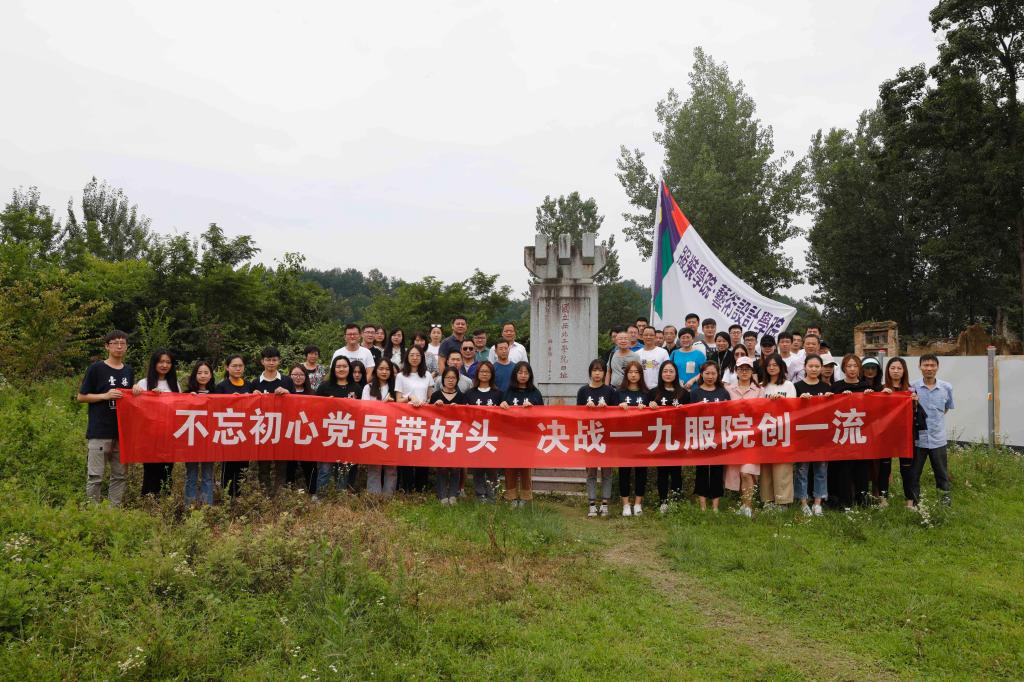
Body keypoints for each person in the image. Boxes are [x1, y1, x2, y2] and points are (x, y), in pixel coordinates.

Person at [77, 330, 134, 506]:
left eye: (123, 343)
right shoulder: (96, 369)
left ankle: (113, 511)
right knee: (95, 476)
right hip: (100, 430)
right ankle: (93, 512)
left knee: (120, 475)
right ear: (107, 346)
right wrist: (105, 396)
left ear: (126, 347)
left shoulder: (128, 371)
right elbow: (81, 397)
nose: (119, 346)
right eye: (115, 343)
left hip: (121, 432)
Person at [133, 348, 180, 497]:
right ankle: (148, 500)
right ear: (154, 363)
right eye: (161, 362)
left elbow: (179, 407)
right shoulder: (143, 383)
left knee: (167, 470)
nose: (164, 365)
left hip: (169, 434)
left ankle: (165, 500)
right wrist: (144, 394)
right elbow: (136, 407)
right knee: (150, 470)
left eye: (168, 362)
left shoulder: (175, 384)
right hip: (149, 435)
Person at [830, 354, 873, 510]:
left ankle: (862, 501)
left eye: (855, 366)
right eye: (849, 366)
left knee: (862, 470)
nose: (852, 369)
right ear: (843, 368)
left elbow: (874, 410)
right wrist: (836, 398)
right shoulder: (836, 387)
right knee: (843, 469)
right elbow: (828, 408)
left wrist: (871, 396)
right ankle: (844, 502)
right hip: (843, 435)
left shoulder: (866, 387)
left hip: (861, 435)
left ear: (859, 368)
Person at [578, 359, 620, 517]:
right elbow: (577, 415)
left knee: (607, 472)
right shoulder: (583, 391)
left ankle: (605, 503)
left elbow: (616, 415)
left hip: (606, 437)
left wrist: (607, 409)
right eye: (594, 370)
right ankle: (591, 503)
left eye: (600, 370)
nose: (597, 373)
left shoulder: (610, 392)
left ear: (604, 373)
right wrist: (585, 409)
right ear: (590, 372)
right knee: (591, 472)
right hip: (590, 436)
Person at [314, 355, 361, 497]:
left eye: (344, 366)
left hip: (348, 434)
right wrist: (326, 404)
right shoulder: (324, 386)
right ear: (333, 369)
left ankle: (340, 498)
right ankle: (320, 497)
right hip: (328, 434)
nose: (341, 369)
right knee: (325, 468)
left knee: (344, 469)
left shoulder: (356, 388)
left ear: (349, 369)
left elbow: (362, 411)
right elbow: (314, 407)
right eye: (338, 366)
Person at [910, 354, 954, 507]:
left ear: (937, 367)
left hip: (938, 439)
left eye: (932, 365)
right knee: (914, 474)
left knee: (942, 474)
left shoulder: (946, 387)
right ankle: (914, 503)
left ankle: (945, 504)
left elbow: (946, 408)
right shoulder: (912, 387)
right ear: (920, 367)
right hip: (918, 440)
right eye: (925, 365)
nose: (929, 368)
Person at [647, 360, 689, 512]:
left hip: (677, 437)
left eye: (671, 371)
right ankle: (663, 501)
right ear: (660, 373)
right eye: (665, 371)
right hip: (660, 437)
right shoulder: (653, 392)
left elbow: (691, 414)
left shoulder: (683, 393)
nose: (668, 374)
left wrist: (684, 409)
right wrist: (650, 406)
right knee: (662, 471)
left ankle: (676, 501)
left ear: (676, 374)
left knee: (676, 471)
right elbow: (643, 414)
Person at [500, 361, 543, 507]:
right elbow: (500, 412)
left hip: (528, 436)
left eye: (526, 373)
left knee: (525, 466)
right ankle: (511, 496)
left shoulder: (535, 393)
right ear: (515, 374)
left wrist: (533, 408)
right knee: (510, 466)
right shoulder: (508, 391)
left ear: (530, 375)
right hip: (510, 435)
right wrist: (502, 405)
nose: (523, 375)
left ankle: (525, 497)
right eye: (520, 372)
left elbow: (542, 415)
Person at [725, 357, 763, 517]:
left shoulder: (760, 390)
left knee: (747, 472)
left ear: (752, 371)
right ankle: (743, 504)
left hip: (752, 438)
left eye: (747, 369)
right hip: (733, 438)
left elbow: (764, 412)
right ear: (736, 371)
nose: (744, 372)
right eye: (741, 369)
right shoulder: (728, 389)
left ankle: (748, 507)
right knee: (738, 473)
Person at [794, 354, 831, 516]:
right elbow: (791, 411)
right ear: (805, 367)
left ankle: (818, 502)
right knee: (802, 470)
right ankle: (803, 502)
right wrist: (799, 400)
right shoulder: (797, 387)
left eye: (817, 366)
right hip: (802, 435)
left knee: (821, 469)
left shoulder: (827, 388)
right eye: (811, 366)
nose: (814, 369)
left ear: (821, 368)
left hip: (821, 435)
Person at [691, 361, 731, 512]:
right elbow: (689, 415)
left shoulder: (723, 393)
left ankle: (715, 506)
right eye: (707, 373)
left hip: (719, 437)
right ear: (701, 374)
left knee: (717, 470)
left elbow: (729, 414)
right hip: (701, 436)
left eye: (713, 373)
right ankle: (702, 505)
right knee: (701, 470)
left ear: (718, 374)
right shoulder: (695, 393)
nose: (710, 376)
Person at [758, 353, 796, 510]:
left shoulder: (789, 385)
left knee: (782, 467)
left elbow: (794, 407)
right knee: (766, 468)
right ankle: (768, 501)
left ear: (781, 367)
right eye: (769, 365)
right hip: (765, 432)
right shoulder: (761, 386)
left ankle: (782, 502)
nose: (772, 368)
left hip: (783, 432)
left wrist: (781, 401)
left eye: (775, 365)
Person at [462, 361, 504, 501]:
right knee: (478, 466)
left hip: (492, 434)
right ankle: (480, 493)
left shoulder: (498, 394)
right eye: (482, 371)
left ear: (491, 374)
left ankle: (493, 494)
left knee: (492, 466)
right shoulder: (469, 394)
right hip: (475, 434)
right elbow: (463, 414)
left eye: (487, 371)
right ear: (477, 374)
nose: (484, 374)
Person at [396, 346, 434, 493]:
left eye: (418, 355)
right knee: (406, 453)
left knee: (422, 453)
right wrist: (410, 398)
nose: (414, 358)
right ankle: (406, 488)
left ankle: (421, 488)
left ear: (422, 357)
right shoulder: (401, 376)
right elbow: (398, 400)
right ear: (407, 357)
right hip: (406, 419)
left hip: (423, 419)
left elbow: (430, 397)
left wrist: (426, 402)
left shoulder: (427, 375)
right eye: (412, 355)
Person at [882, 357, 918, 508]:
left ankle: (910, 500)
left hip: (905, 435)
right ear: (888, 371)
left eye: (899, 368)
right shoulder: (881, 389)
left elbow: (916, 414)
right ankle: (883, 499)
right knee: (884, 468)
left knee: (907, 468)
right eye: (892, 368)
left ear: (904, 371)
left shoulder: (911, 390)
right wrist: (881, 396)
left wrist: (915, 401)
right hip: (885, 435)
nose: (896, 371)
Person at [216, 355, 253, 497]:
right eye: (234, 366)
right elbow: (215, 407)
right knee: (229, 466)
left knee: (243, 467)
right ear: (227, 367)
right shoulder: (221, 386)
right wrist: (229, 401)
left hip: (245, 432)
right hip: (228, 432)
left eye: (240, 366)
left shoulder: (249, 385)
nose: (238, 369)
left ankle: (239, 497)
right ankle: (226, 497)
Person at [615, 361, 649, 516]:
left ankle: (638, 504)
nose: (633, 375)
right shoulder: (618, 393)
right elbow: (610, 415)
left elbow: (654, 414)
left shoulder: (647, 394)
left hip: (642, 439)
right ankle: (626, 504)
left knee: (641, 471)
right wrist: (618, 408)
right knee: (624, 472)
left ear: (641, 374)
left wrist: (649, 407)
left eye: (636, 372)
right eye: (630, 372)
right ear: (626, 374)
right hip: (624, 438)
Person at [184, 360, 218, 506]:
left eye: (206, 372)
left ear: (211, 375)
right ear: (194, 375)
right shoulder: (187, 394)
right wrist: (187, 400)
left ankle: (206, 508)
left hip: (210, 441)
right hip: (191, 440)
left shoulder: (217, 394)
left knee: (208, 476)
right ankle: (189, 508)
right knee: (191, 476)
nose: (203, 376)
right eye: (199, 373)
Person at [363, 358, 397, 496]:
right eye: (381, 369)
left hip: (392, 430)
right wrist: (384, 403)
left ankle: (388, 497)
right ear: (375, 371)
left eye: (387, 369)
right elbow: (365, 409)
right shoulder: (368, 387)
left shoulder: (396, 388)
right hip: (374, 430)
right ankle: (374, 497)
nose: (384, 372)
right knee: (374, 466)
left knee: (391, 466)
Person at [430, 367, 465, 505]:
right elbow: (428, 415)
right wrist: (435, 406)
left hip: (456, 435)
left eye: (453, 378)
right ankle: (442, 494)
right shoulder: (436, 395)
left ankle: (453, 494)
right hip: (440, 434)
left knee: (456, 466)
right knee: (442, 465)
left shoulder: (462, 396)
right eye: (448, 377)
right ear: (443, 379)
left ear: (457, 380)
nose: (450, 380)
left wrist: (460, 409)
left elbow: (468, 416)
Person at [636, 326, 669, 390]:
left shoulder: (663, 352)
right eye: (646, 335)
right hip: (641, 389)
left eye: (651, 335)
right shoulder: (637, 354)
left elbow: (667, 370)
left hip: (658, 389)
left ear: (655, 337)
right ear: (642, 337)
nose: (648, 337)